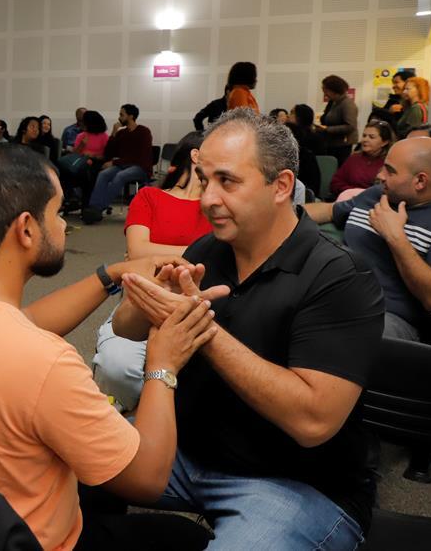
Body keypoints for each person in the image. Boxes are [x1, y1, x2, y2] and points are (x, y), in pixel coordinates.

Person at [0, 143, 220, 550]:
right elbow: (149, 479)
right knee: (188, 537)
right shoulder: (46, 362)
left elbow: (26, 322)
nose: (63, 226)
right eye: (57, 214)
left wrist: (112, 274)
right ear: (26, 229)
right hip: (35, 542)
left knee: (98, 483)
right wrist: (163, 364)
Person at [113, 108, 383, 547]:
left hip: (293, 483)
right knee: (62, 459)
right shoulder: (210, 247)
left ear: (281, 186)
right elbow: (126, 331)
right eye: (204, 180)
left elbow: (312, 421)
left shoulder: (340, 277)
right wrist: (148, 303)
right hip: (190, 452)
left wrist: (202, 329)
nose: (207, 199)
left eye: (228, 181)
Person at [93, 132, 213, 410]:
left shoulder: (217, 206)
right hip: (142, 302)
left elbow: (145, 254)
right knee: (117, 368)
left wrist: (159, 254)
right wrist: (203, 250)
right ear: (196, 155)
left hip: (199, 306)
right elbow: (137, 253)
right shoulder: (150, 196)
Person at [305, 137, 431, 342]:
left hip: (389, 317)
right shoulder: (378, 194)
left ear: (420, 181)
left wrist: (395, 237)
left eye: (390, 170)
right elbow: (328, 211)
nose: (380, 175)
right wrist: (277, 212)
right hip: (333, 297)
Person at [81, 105, 153, 223]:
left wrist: (114, 162)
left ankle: (98, 209)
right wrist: (114, 133)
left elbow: (140, 157)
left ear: (131, 116)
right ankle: (93, 207)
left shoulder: (144, 132)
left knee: (120, 176)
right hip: (122, 165)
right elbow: (109, 153)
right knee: (103, 174)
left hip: (140, 168)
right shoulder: (121, 133)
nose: (119, 118)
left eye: (121, 115)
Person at [329, 120, 393, 200]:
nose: (365, 139)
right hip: (348, 200)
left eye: (371, 137)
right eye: (364, 136)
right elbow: (335, 183)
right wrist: (352, 192)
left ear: (384, 142)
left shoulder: (390, 162)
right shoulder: (354, 158)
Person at [316, 75, 359, 165]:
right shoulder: (333, 103)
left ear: (334, 90)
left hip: (341, 146)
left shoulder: (347, 104)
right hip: (332, 144)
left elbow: (350, 126)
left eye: (325, 90)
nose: (324, 93)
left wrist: (327, 129)